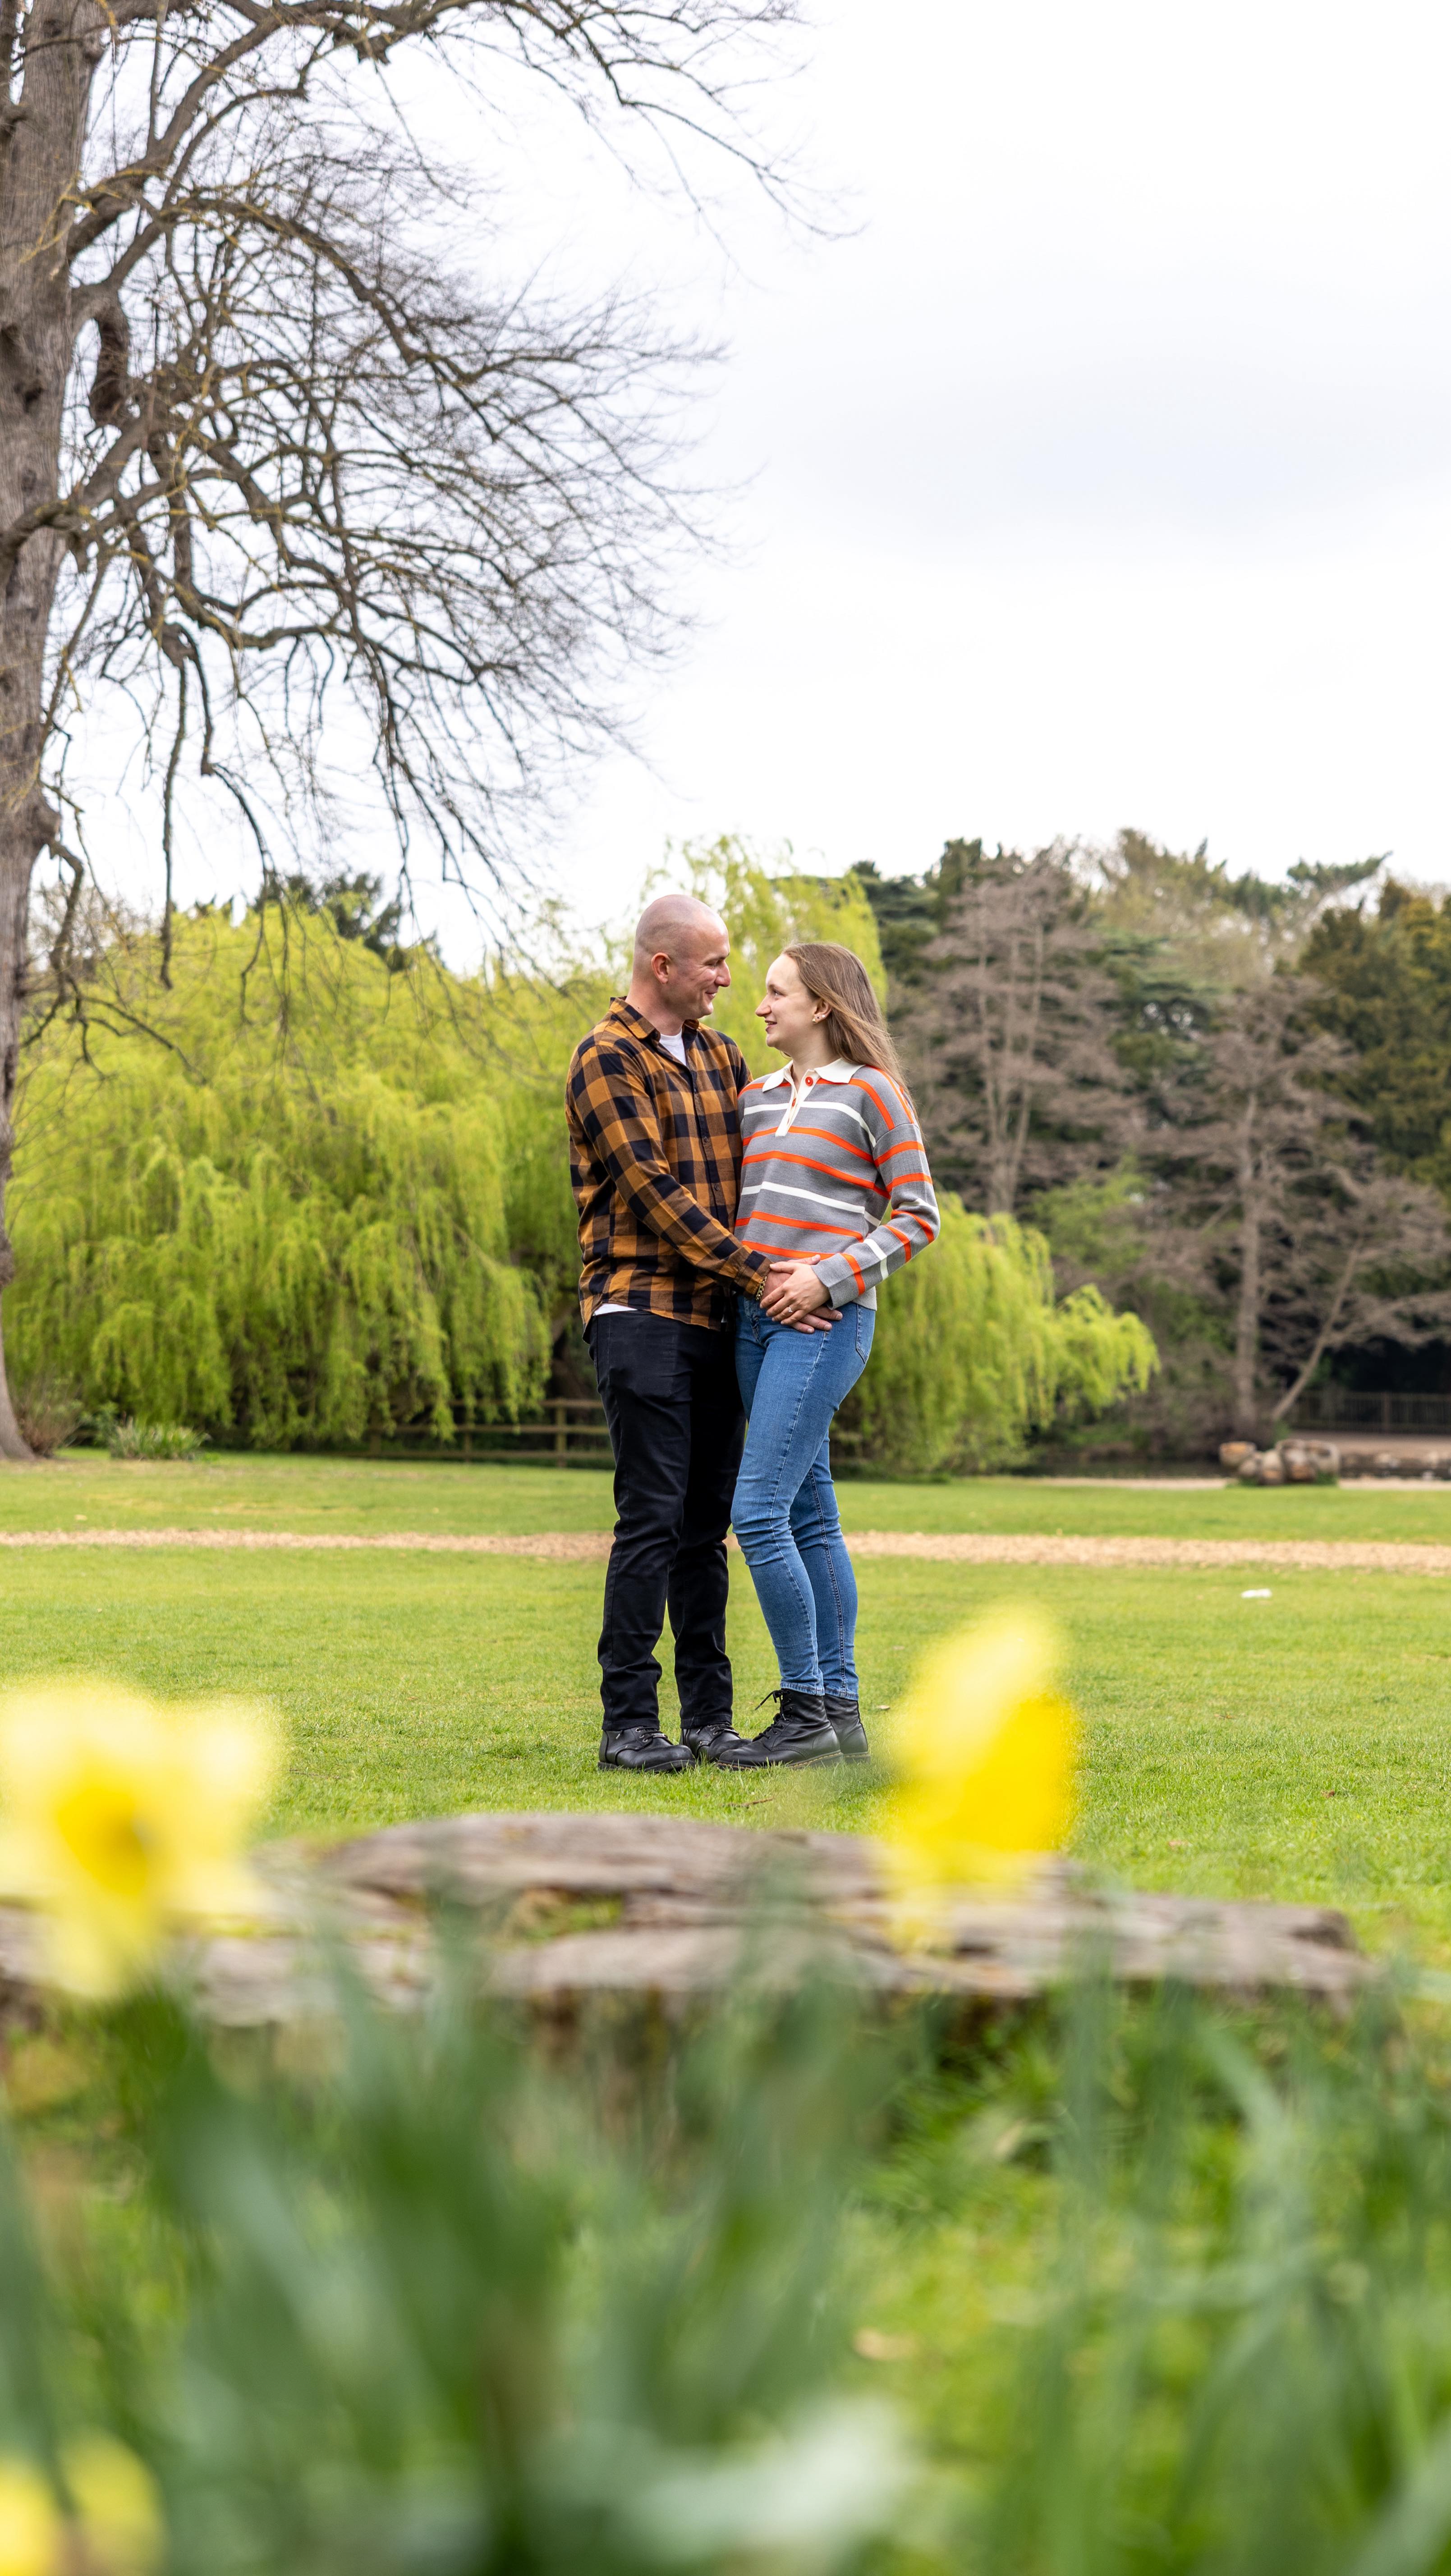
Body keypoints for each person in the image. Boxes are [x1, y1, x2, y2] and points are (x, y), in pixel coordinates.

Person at [565, 895, 832, 1774]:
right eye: (714, 964)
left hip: (719, 1318)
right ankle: (628, 1726)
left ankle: (711, 1722)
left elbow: (766, 1174)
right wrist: (763, 1274)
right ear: (663, 967)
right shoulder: (605, 1058)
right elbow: (651, 1190)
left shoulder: (722, 1057)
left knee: (705, 1530)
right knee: (650, 1517)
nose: (729, 979)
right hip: (639, 1311)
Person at [728, 942, 940, 1766]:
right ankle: (841, 1714)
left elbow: (917, 1215)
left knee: (756, 1512)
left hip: (821, 1325)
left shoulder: (872, 1094)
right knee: (810, 1514)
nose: (761, 1006)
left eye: (775, 992)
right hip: (750, 1325)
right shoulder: (753, 1098)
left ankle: (806, 1711)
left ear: (820, 1004)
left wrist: (826, 1278)